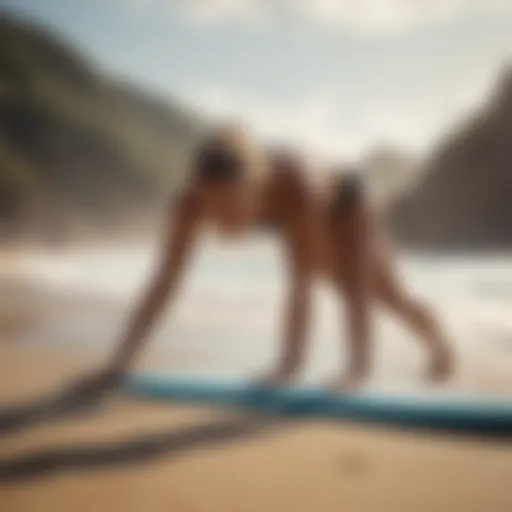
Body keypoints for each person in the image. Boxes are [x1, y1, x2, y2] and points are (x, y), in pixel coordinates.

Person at [70, 123, 453, 396]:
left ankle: (435, 344)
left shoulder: (294, 189)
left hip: (346, 203)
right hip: (295, 214)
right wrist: (121, 359)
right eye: (213, 210)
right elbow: (164, 280)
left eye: (232, 208)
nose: (223, 223)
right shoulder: (189, 203)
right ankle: (420, 340)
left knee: (370, 290)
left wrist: (306, 368)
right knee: (356, 286)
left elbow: (303, 285)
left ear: (252, 188)